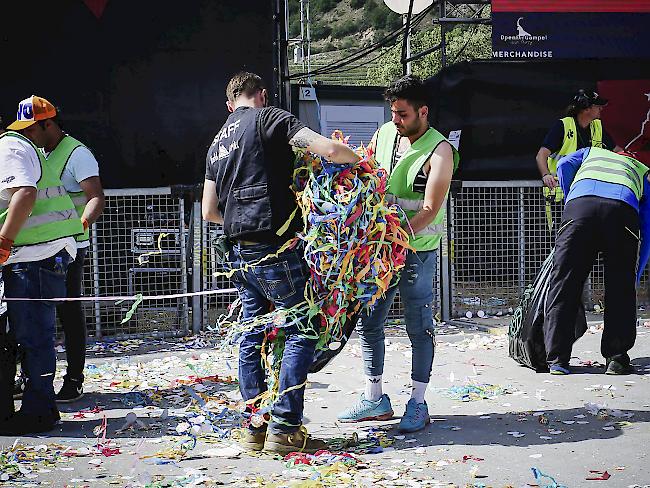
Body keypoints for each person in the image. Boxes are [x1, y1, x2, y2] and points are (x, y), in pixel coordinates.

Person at [202, 72, 360, 454]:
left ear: (229, 104)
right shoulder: (271, 118)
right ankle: (285, 427)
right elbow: (330, 150)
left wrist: (242, 223)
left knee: (251, 332)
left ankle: (255, 427)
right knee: (303, 328)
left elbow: (209, 211)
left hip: (237, 253)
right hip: (276, 249)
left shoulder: (216, 144)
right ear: (262, 96)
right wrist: (358, 161)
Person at [337, 75, 458, 433]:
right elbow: (367, 174)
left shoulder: (441, 151)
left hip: (416, 252)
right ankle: (374, 399)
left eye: (403, 114)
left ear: (423, 112)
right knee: (369, 321)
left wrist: (393, 235)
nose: (395, 120)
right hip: (378, 253)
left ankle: (418, 403)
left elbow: (430, 209)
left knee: (419, 327)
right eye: (392, 112)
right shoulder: (385, 134)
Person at [0, 95, 84, 434]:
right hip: (38, 254)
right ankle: (40, 406)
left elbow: (25, 194)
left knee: (34, 335)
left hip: (34, 255)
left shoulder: (10, 148)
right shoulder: (23, 147)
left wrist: (4, 242)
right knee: (33, 333)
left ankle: (39, 411)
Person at [17, 95, 105, 403]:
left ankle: (74, 378)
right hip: (41, 247)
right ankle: (29, 377)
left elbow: (95, 197)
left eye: (31, 129)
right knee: (31, 315)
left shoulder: (77, 154)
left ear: (48, 125)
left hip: (69, 247)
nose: (26, 135)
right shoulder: (37, 152)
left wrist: (77, 226)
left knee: (68, 311)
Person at [544, 147, 650, 375]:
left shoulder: (591, 152)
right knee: (620, 287)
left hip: (580, 208)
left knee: (565, 282)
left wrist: (571, 195)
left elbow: (562, 165)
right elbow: (648, 226)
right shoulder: (641, 170)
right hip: (622, 211)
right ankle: (617, 358)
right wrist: (635, 272)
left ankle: (557, 360)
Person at [536, 89, 623, 230]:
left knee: (585, 237)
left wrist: (630, 158)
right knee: (561, 237)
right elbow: (541, 155)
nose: (601, 109)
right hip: (560, 195)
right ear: (587, 108)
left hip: (587, 194)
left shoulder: (597, 127)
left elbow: (618, 151)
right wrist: (546, 175)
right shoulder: (563, 126)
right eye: (597, 106)